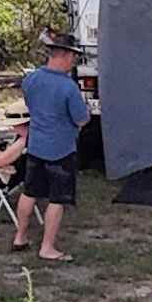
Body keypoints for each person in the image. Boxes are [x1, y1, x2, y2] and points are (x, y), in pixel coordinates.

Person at [10, 31, 93, 263]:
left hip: (36, 146)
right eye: (73, 57)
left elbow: (30, 104)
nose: (74, 62)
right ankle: (47, 247)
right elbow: (81, 119)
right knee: (57, 199)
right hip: (61, 149)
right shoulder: (68, 88)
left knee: (30, 192)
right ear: (64, 55)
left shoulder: (31, 79)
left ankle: (20, 236)